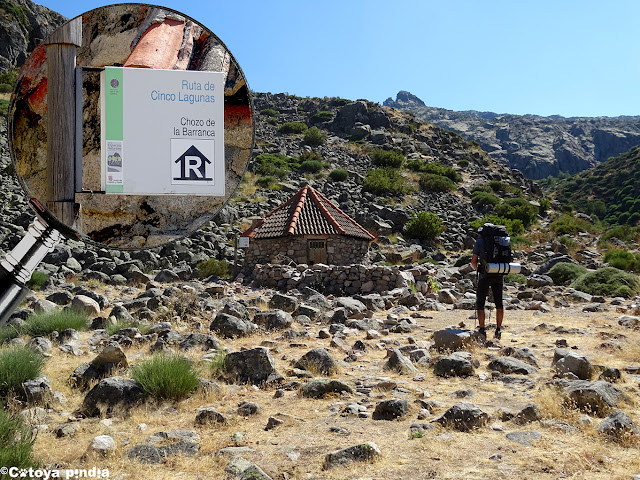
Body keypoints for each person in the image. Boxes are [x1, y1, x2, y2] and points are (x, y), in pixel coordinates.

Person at [471, 234, 504, 339]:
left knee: (480, 303)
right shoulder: (501, 240)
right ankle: (498, 329)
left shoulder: (479, 242)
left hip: (484, 276)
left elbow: (473, 260)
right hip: (499, 274)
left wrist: (479, 270)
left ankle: (482, 329)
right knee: (499, 303)